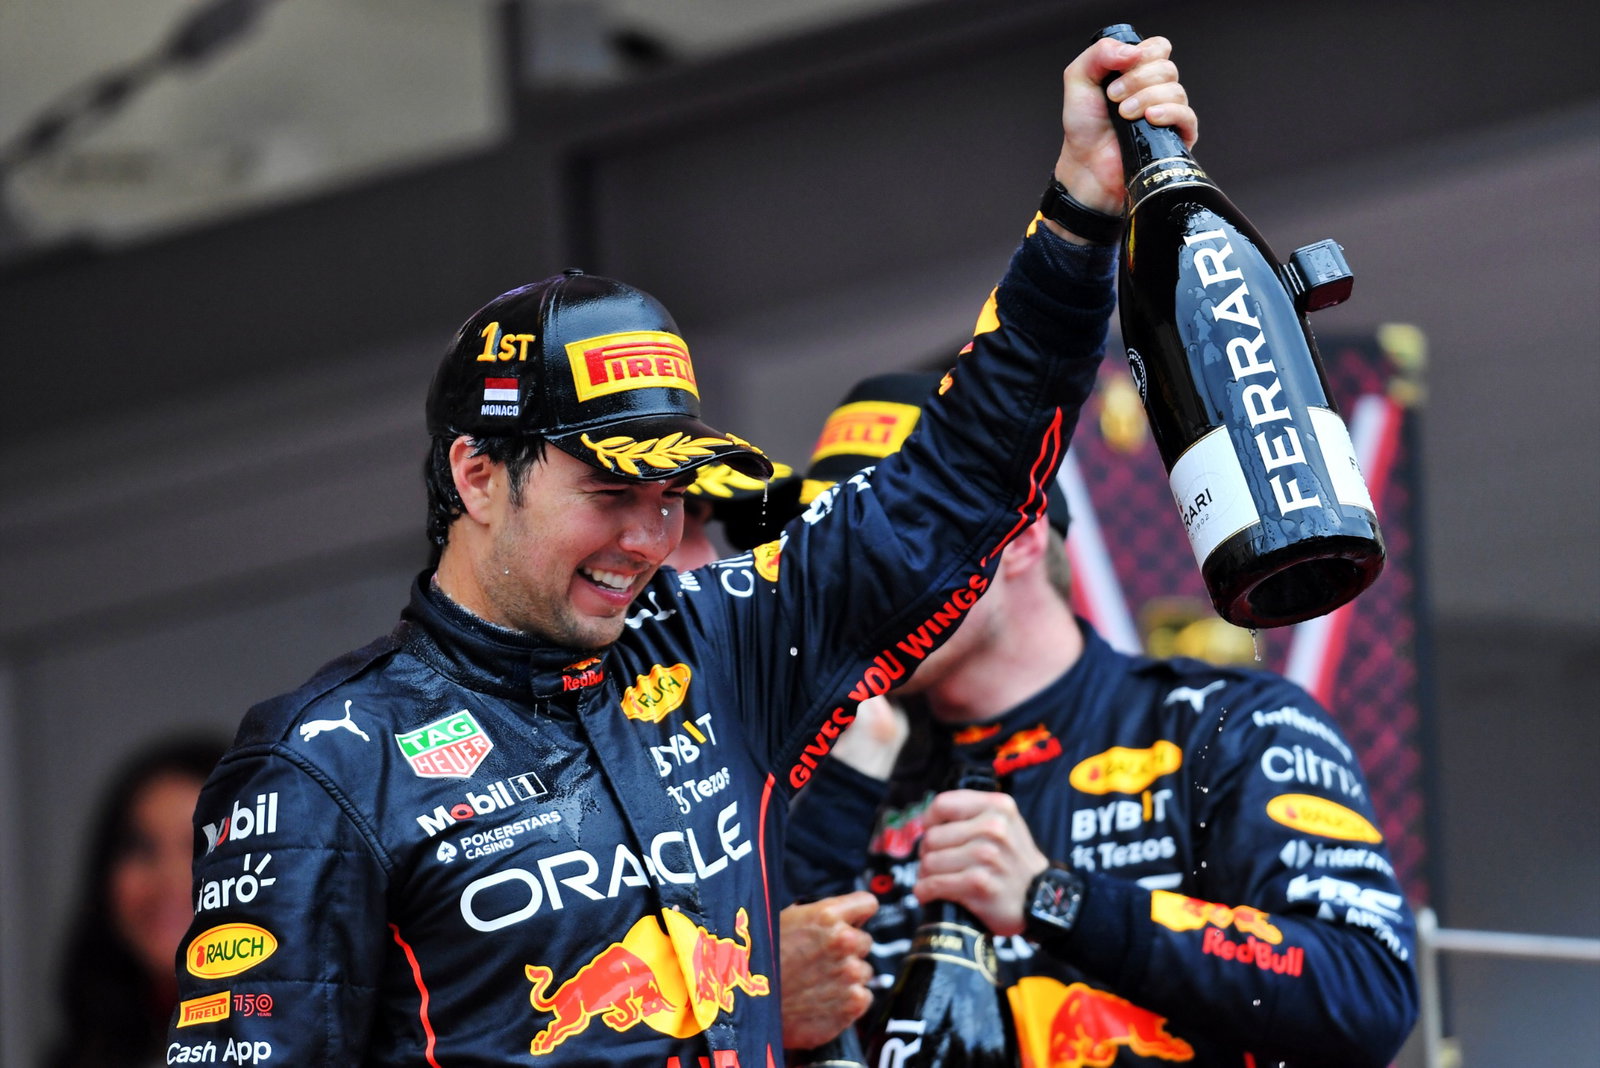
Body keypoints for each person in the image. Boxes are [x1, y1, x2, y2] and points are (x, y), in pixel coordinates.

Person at [167, 32, 1197, 1064]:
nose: (650, 538)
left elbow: (952, 489)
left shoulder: (716, 644)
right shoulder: (325, 763)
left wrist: (1077, 215)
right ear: (478, 475)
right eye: (613, 492)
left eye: (674, 499)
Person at [784, 374, 1420, 1066]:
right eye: (832, 548)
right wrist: (834, 792)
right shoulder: (831, 766)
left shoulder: (1224, 728)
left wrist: (1053, 899)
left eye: (887, 540)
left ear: (1018, 538)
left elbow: (1366, 992)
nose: (847, 579)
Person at [44, 734, 225, 1068]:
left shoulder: (324, 1041)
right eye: (141, 847)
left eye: (202, 846)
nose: (169, 880)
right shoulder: (83, 1053)